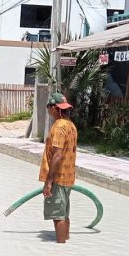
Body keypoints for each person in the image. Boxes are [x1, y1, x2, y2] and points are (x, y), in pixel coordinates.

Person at [39, 92, 78, 243]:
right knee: (63, 213)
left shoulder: (59, 127)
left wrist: (49, 182)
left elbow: (57, 155)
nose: (48, 110)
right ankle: (64, 243)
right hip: (68, 177)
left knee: (57, 215)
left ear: (54, 108)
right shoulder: (70, 125)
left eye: (48, 107)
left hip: (58, 177)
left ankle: (60, 247)